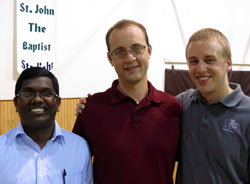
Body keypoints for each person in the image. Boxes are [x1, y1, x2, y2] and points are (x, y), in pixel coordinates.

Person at [73, 19, 182, 184]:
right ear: (110, 59)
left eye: (137, 48)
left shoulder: (173, 108)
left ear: (149, 51)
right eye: (120, 51)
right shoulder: (91, 109)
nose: (130, 58)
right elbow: (75, 167)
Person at [175, 28, 250, 184]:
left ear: (228, 63)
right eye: (194, 61)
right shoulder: (182, 103)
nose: (201, 69)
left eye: (209, 60)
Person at [0, 67, 93, 184]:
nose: (37, 99)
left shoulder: (79, 147)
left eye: (46, 93)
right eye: (28, 93)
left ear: (58, 103)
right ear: (16, 103)